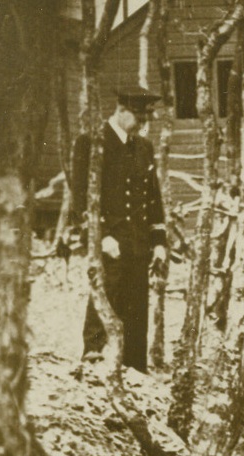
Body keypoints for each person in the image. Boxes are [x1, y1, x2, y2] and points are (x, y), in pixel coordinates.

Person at [70, 85, 167, 373]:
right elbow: (80, 198)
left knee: (137, 306)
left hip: (137, 242)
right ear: (121, 110)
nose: (143, 124)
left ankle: (134, 368)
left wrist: (159, 241)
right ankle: (93, 356)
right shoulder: (92, 143)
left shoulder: (144, 148)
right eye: (139, 118)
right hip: (109, 241)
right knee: (107, 292)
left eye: (146, 119)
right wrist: (99, 237)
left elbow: (154, 198)